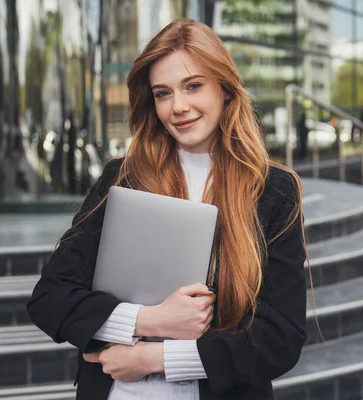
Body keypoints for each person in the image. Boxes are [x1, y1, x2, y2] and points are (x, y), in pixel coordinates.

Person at [27, 19, 308, 400]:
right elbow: (50, 298)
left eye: (193, 86)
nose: (178, 107)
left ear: (224, 89)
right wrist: (150, 320)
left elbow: (279, 338)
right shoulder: (122, 178)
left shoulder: (272, 189)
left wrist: (157, 357)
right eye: (162, 93)